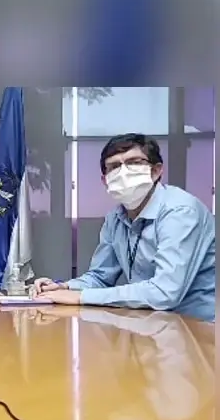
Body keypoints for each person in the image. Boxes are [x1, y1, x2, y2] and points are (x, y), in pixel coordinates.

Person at [32, 133, 215, 322]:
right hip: (152, 324)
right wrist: (64, 288)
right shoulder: (115, 218)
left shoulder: (179, 211)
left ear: (156, 171)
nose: (123, 172)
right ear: (105, 180)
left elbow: (164, 292)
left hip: (199, 328)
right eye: (114, 167)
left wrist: (80, 297)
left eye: (134, 162)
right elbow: (100, 277)